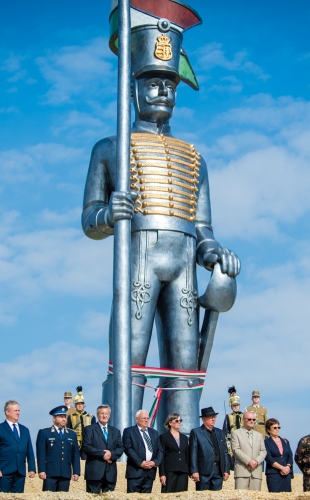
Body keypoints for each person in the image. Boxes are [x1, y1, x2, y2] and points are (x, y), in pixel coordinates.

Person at [83, 3, 241, 433]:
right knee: (129, 356)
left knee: (185, 364)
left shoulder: (194, 157)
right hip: (139, 257)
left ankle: (184, 444)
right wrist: (107, 212)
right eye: (152, 83)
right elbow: (89, 218)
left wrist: (214, 253)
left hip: (184, 262)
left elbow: (204, 226)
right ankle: (119, 441)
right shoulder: (109, 147)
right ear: (133, 88)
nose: (162, 93)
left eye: (168, 85)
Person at [0, 400, 35, 493]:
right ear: (7, 412)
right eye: (15, 411)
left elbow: (29, 450)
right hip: (4, 471)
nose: (18, 413)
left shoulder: (25, 430)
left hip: (20, 471)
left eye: (18, 410)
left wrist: (32, 468)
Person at [36, 406, 80, 492]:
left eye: (65, 417)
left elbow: (75, 454)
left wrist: (76, 471)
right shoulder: (45, 432)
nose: (64, 419)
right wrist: (41, 470)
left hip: (65, 473)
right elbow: (41, 453)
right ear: (54, 418)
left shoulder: (71, 434)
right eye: (60, 417)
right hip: (50, 473)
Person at [81, 404, 123, 494]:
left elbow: (120, 448)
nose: (104, 416)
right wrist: (103, 454)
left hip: (110, 473)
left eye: (106, 413)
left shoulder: (116, 431)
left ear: (109, 415)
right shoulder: (89, 429)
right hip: (94, 472)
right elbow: (86, 447)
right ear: (97, 414)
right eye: (102, 413)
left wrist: (111, 454)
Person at [189, 407, 230, 491]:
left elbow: (225, 452)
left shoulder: (220, 432)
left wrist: (226, 470)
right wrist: (194, 471)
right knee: (202, 496)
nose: (213, 419)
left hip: (218, 471)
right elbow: (193, 452)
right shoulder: (196, 432)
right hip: (203, 471)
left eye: (214, 417)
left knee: (217, 496)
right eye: (211, 417)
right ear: (204, 419)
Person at [123, 409, 163, 493]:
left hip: (150, 472)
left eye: (147, 418)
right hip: (135, 471)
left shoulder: (154, 432)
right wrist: (140, 462)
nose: (146, 420)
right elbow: (128, 448)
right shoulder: (129, 431)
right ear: (137, 419)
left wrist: (155, 462)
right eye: (143, 418)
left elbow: (160, 450)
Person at [230, 411, 266, 490]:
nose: (252, 421)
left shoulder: (259, 435)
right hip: (242, 471)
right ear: (243, 420)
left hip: (256, 473)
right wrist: (249, 461)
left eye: (253, 419)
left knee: (256, 497)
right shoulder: (235, 433)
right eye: (249, 419)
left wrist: (256, 462)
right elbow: (235, 450)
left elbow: (263, 451)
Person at [158, 412, 189, 493]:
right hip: (170, 471)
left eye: (180, 420)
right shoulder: (164, 437)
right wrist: (162, 474)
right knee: (168, 494)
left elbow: (187, 454)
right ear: (170, 423)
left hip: (183, 470)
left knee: (182, 495)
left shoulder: (184, 438)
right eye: (176, 420)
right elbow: (161, 456)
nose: (179, 422)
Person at [66, 386, 93, 453]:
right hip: (75, 442)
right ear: (75, 405)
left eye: (81, 404)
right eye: (78, 404)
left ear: (84, 405)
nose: (80, 405)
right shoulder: (71, 416)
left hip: (87, 443)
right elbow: (68, 430)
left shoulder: (90, 417)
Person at [222, 387, 244, 457]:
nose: (235, 407)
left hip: (243, 439)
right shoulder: (228, 416)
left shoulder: (244, 416)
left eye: (237, 405)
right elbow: (225, 430)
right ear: (231, 406)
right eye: (234, 405)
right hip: (232, 440)